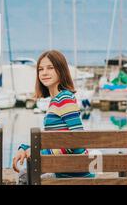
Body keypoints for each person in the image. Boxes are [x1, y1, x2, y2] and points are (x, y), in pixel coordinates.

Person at [12, 50, 94, 183]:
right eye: (40, 69)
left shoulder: (64, 98)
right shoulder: (57, 99)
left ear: (61, 70)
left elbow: (77, 140)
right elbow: (52, 140)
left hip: (74, 174)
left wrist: (41, 154)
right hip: (65, 171)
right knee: (26, 174)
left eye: (50, 68)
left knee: (24, 175)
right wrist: (26, 148)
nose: (44, 73)